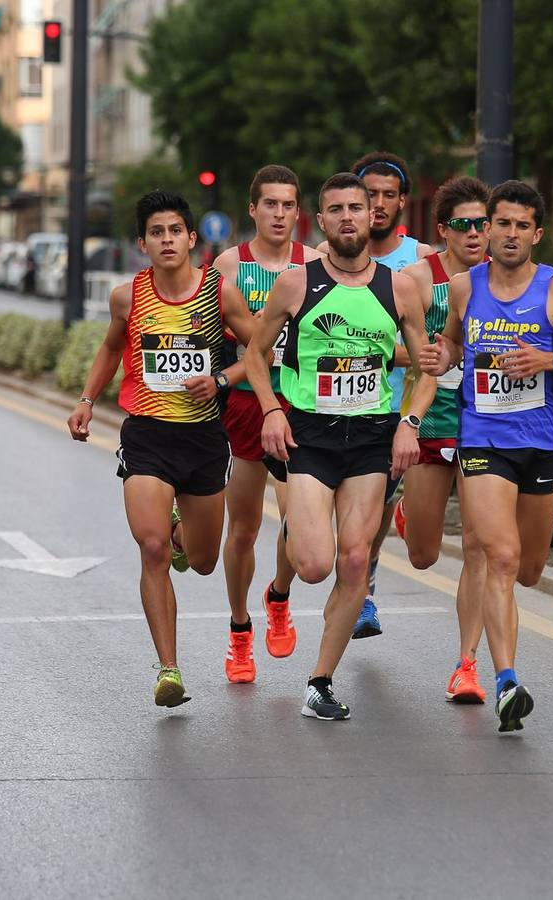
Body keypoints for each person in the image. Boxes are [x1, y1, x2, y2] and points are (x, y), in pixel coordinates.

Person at [420, 179, 553, 731]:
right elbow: (455, 341)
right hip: (481, 437)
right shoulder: (464, 287)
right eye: (497, 223)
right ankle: (506, 680)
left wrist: (550, 362)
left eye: (518, 225)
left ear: (537, 232)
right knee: (498, 556)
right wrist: (443, 354)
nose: (506, 234)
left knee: (528, 569)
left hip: (540, 442)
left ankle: (500, 666)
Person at [243, 172, 436, 721]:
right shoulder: (296, 284)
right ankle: (290, 546)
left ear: (370, 216)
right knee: (313, 565)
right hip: (310, 434)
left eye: (359, 206)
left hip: (373, 435)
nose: (350, 216)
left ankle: (319, 681)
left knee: (355, 561)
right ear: (320, 222)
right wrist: (273, 411)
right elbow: (255, 354)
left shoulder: (398, 288)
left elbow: (425, 366)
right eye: (338, 209)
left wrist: (411, 423)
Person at [66, 191, 255, 709]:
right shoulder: (128, 296)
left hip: (204, 440)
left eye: (176, 231)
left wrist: (220, 379)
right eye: (157, 232)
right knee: (150, 549)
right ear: (142, 243)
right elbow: (111, 347)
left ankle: (179, 529)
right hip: (147, 434)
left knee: (202, 561)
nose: (167, 240)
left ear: (192, 239)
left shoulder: (220, 293)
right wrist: (86, 399)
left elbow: (257, 351)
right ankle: (168, 668)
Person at [211, 164, 320, 683]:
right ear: (252, 208)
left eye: (288, 205)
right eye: (270, 204)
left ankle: (279, 595)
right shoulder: (230, 265)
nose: (279, 213)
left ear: (299, 213)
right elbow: (211, 336)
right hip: (246, 404)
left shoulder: (317, 262)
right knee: (245, 530)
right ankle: (239, 631)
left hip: (301, 401)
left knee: (300, 523)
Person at [321, 152, 434, 640]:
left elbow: (432, 344)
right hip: (332, 411)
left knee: (371, 518)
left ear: (401, 202)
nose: (380, 204)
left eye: (390, 195)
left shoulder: (424, 262)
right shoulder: (324, 259)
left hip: (396, 409)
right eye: (372, 196)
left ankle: (362, 590)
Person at [394, 175, 493, 702]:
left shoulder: (505, 281)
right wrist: (433, 356)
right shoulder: (415, 281)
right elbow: (386, 349)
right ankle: (407, 514)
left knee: (477, 545)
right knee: (423, 555)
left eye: (484, 223)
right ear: (442, 230)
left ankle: (468, 665)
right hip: (429, 423)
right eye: (464, 225)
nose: (475, 233)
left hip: (483, 428)